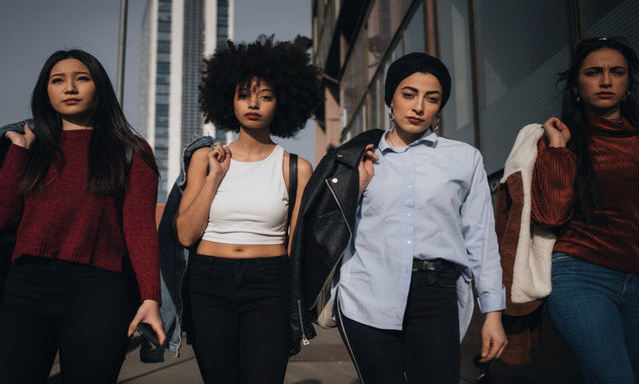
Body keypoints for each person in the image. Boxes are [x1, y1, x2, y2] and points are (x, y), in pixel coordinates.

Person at [290, 52, 507, 384]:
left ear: (439, 106)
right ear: (391, 98)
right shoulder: (357, 158)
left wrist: (493, 313)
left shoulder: (464, 159)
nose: (419, 106)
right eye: (409, 94)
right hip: (365, 296)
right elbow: (326, 229)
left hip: (437, 295)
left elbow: (481, 239)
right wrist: (356, 187)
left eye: (431, 99)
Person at [0, 49, 165, 384]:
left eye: (81, 79)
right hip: (25, 287)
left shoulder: (130, 149)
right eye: (58, 81)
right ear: (46, 91)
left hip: (99, 291)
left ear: (99, 88)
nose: (70, 88)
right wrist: (19, 153)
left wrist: (150, 296)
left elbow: (140, 228)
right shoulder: (29, 145)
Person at [174, 36, 321, 384]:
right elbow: (185, 234)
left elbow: (296, 247)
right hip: (208, 281)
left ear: (282, 104)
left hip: (269, 282)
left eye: (265, 96)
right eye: (244, 94)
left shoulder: (297, 169)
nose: (253, 104)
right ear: (229, 99)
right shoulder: (204, 159)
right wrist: (214, 178)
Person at [502, 37, 639, 383]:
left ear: (628, 83)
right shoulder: (557, 138)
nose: (606, 81)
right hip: (582, 277)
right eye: (594, 72)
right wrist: (559, 151)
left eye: (616, 72)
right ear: (577, 86)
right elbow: (549, 215)